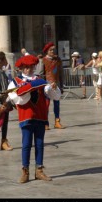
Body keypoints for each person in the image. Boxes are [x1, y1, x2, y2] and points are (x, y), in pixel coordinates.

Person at [7, 55, 61, 183]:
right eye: (26, 67)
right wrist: (26, 89)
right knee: (26, 144)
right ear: (21, 68)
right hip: (26, 117)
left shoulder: (41, 80)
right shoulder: (15, 81)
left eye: (31, 67)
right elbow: (15, 99)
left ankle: (39, 171)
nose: (29, 70)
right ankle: (25, 171)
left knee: (39, 144)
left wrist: (53, 88)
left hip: (40, 116)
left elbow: (53, 95)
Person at [40, 42, 64, 130]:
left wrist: (61, 85)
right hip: (47, 85)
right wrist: (45, 84)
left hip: (56, 84)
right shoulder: (43, 60)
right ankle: (45, 123)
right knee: (46, 105)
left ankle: (57, 121)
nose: (53, 51)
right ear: (47, 51)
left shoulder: (58, 60)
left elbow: (60, 73)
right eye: (51, 50)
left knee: (57, 103)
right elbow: (41, 74)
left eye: (53, 49)